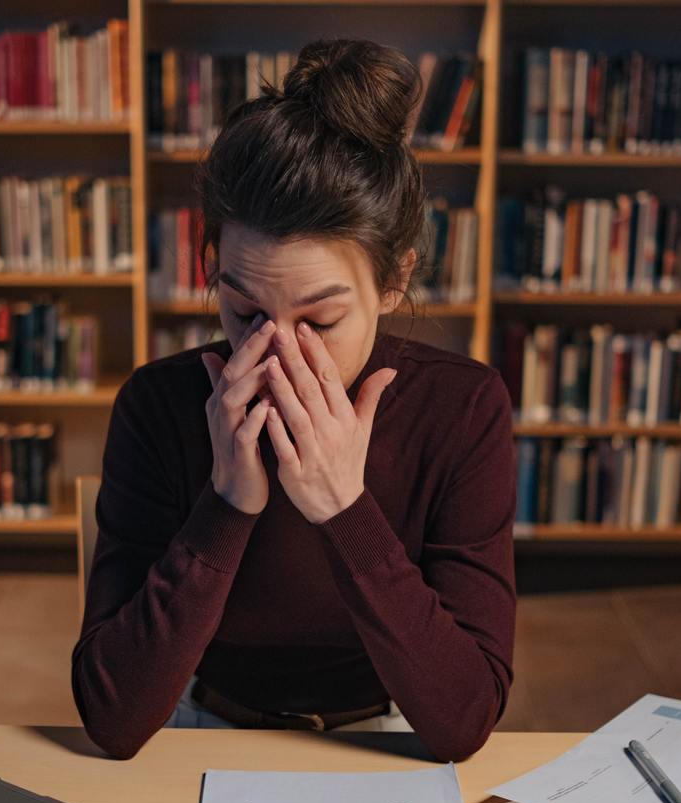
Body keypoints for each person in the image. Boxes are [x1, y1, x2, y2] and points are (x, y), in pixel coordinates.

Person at [72, 38, 516, 761]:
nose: (277, 352)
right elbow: (113, 717)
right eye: (245, 311)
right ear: (211, 267)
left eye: (320, 321)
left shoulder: (462, 411)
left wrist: (345, 509)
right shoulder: (159, 406)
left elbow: (463, 719)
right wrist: (225, 505)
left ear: (394, 281)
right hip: (201, 730)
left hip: (383, 741)